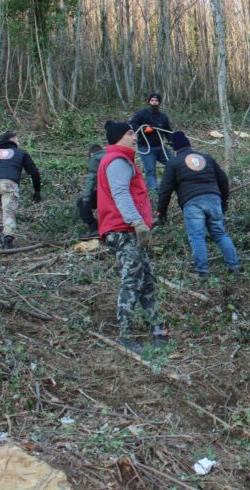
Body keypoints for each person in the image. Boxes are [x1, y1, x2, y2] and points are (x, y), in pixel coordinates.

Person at [97, 120, 166, 353]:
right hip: (123, 230)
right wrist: (136, 222)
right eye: (129, 134)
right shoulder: (117, 161)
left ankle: (156, 328)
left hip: (129, 230)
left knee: (147, 280)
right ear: (118, 137)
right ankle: (126, 334)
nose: (135, 137)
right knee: (132, 280)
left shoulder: (123, 160)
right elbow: (120, 193)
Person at [156, 131, 239, 277]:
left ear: (174, 149)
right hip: (214, 199)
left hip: (192, 202)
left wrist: (161, 212)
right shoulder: (206, 158)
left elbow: (165, 190)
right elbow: (223, 180)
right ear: (189, 144)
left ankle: (203, 271)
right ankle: (234, 266)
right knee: (220, 234)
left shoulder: (173, 163)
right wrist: (223, 201)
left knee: (197, 236)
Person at [0, 131, 41, 250]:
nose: (19, 142)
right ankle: (8, 239)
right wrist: (37, 191)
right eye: (17, 139)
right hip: (9, 184)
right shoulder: (21, 153)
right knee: (8, 211)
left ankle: (1, 235)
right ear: (11, 140)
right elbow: (34, 172)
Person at [129, 93, 173, 191]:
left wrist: (171, 140)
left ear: (159, 103)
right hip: (146, 148)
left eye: (156, 101)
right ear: (149, 102)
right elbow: (132, 124)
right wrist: (144, 129)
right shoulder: (141, 114)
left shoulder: (163, 117)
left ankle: (172, 184)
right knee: (150, 172)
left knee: (174, 163)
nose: (154, 103)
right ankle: (154, 193)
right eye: (152, 101)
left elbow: (168, 130)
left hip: (160, 148)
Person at [77, 143, 105, 240]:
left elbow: (91, 178)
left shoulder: (95, 158)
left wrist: (86, 197)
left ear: (91, 153)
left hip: (105, 190)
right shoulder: (110, 155)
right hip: (117, 190)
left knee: (81, 203)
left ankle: (94, 229)